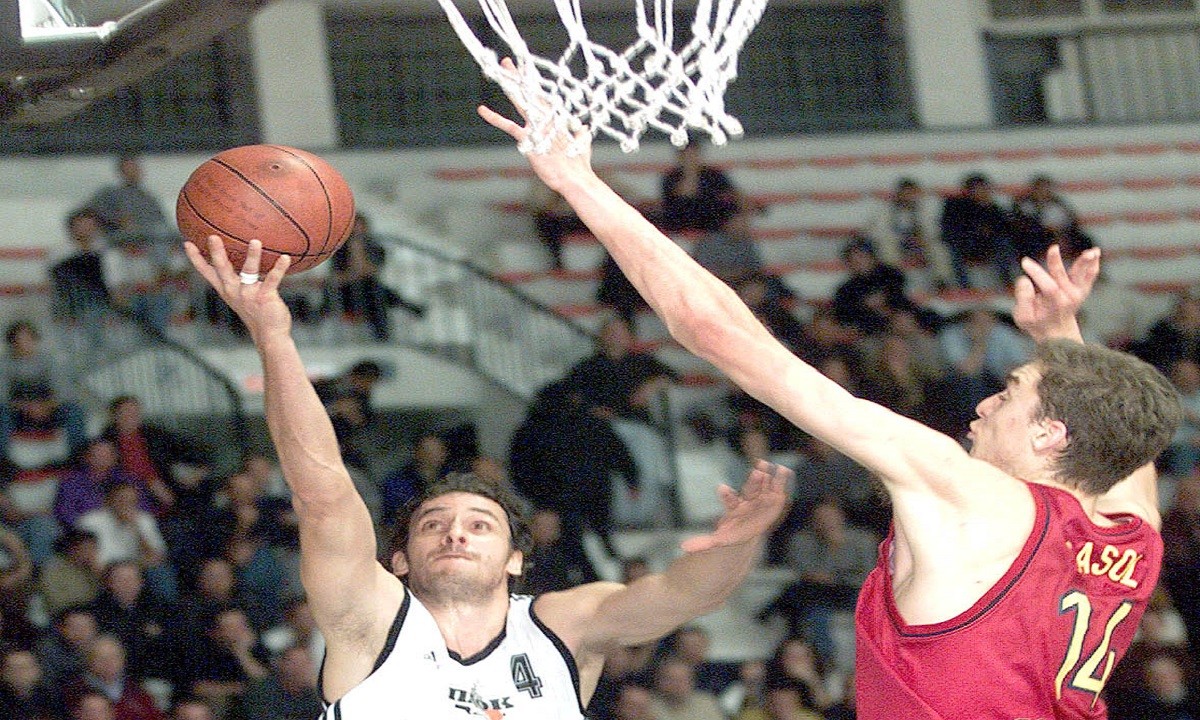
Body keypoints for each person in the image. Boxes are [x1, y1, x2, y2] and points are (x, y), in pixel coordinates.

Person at [481, 89, 1181, 718]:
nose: (985, 405)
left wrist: (579, 182)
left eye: (1010, 393)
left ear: (1053, 433)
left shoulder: (967, 490)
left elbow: (718, 334)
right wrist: (1060, 338)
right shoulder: (1133, 538)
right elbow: (1124, 442)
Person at [182, 234, 790, 718]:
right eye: (433, 524)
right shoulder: (370, 618)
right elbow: (322, 494)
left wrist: (739, 541)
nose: (456, 533)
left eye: (480, 525)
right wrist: (273, 337)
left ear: (515, 559)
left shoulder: (564, 627)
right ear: (399, 560)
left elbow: (685, 595)